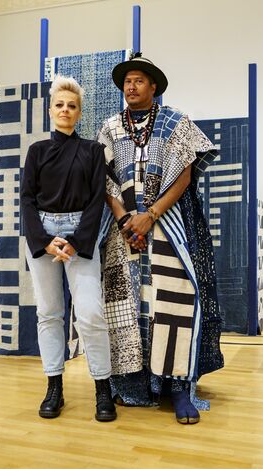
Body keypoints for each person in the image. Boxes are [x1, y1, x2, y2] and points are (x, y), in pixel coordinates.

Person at [96, 53, 224, 424]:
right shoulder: (109, 128)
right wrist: (126, 220)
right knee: (125, 306)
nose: (131, 87)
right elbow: (104, 179)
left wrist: (150, 215)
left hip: (167, 226)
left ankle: (178, 387)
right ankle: (132, 384)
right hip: (123, 232)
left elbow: (185, 172)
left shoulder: (175, 122)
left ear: (154, 86)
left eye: (138, 80)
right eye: (127, 81)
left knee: (174, 302)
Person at [20, 75, 116, 422]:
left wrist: (75, 241)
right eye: (59, 105)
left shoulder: (92, 151)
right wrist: (44, 241)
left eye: (71, 106)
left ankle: (102, 388)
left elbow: (96, 201)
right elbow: (27, 200)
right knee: (49, 313)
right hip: (42, 234)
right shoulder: (37, 151)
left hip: (80, 235)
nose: (65, 110)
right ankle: (54, 387)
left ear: (79, 112)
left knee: (90, 313)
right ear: (50, 111)